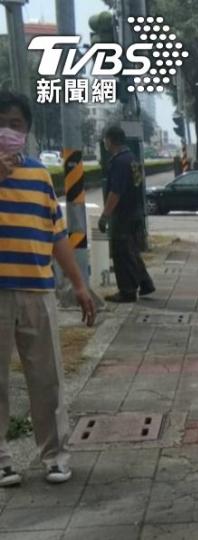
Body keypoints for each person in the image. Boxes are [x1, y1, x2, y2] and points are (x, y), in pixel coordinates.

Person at [0, 91, 96, 486]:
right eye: (2, 122)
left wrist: (79, 284)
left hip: (38, 290)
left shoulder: (40, 176)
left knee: (48, 377)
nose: (8, 131)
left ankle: (55, 455)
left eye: (16, 124)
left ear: (27, 131)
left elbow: (57, 235)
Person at [98, 125, 154, 303]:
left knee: (121, 253)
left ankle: (127, 291)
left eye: (105, 139)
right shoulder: (132, 159)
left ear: (110, 140)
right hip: (135, 212)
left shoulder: (119, 162)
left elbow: (116, 192)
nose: (104, 142)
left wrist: (105, 215)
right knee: (131, 251)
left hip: (122, 215)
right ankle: (145, 283)